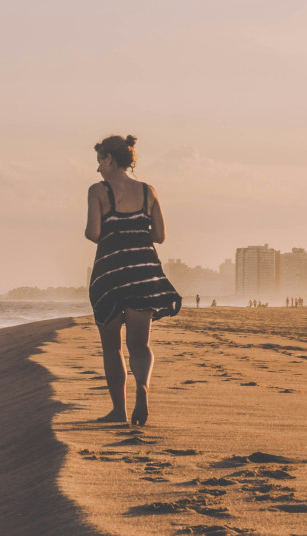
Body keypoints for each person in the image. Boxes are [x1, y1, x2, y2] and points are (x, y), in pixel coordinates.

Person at [85, 134, 181, 426]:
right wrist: (137, 233)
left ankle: (118, 412)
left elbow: (93, 233)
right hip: (143, 272)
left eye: (99, 161)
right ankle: (143, 386)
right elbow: (160, 236)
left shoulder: (98, 191)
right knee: (139, 345)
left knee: (112, 347)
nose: (97, 168)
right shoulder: (148, 191)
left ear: (109, 160)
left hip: (111, 274)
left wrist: (116, 231)